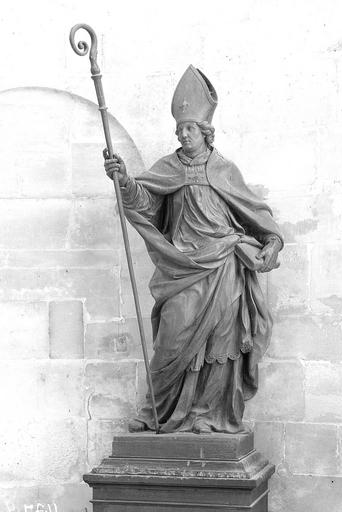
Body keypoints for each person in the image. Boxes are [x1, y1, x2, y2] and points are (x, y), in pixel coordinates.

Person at [104, 65, 283, 434]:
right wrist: (123, 179)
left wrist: (273, 242)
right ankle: (155, 410)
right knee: (171, 338)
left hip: (224, 268)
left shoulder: (224, 170)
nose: (183, 135)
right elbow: (144, 200)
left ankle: (208, 414)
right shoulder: (167, 167)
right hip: (182, 268)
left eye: (190, 129)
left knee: (221, 344)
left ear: (205, 131)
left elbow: (257, 215)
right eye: (180, 129)